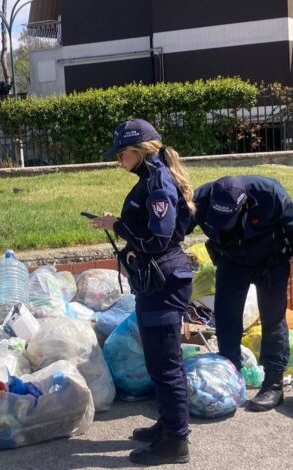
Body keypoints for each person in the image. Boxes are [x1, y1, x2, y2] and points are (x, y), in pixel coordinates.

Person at [90, 119, 195, 466]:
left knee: (165, 365)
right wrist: (116, 225)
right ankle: (168, 423)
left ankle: (176, 441)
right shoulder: (151, 179)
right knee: (158, 361)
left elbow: (156, 240)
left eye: (122, 154)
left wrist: (117, 226)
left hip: (162, 280)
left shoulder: (158, 182)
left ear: (139, 151)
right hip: (157, 279)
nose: (120, 161)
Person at [189, 175, 293, 411]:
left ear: (244, 203)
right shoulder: (201, 199)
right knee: (226, 319)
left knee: (273, 320)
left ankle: (273, 385)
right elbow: (176, 228)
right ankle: (230, 379)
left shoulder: (269, 193)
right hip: (231, 260)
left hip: (271, 260)